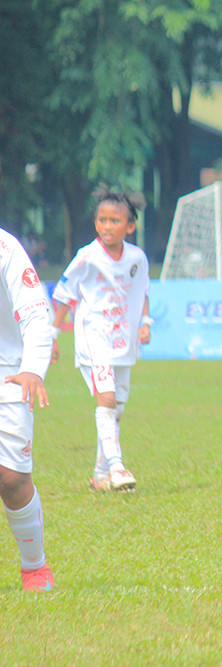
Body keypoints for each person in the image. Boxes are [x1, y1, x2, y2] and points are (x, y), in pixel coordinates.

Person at [51, 186, 151, 492]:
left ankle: (99, 474)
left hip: (123, 340)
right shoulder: (87, 257)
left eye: (114, 221)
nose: (107, 226)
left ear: (130, 226)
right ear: (96, 223)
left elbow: (142, 291)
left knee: (116, 408)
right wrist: (53, 335)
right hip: (94, 338)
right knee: (106, 399)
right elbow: (64, 295)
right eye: (102, 220)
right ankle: (118, 468)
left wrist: (145, 322)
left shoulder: (137, 258)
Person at [1, 196, 55, 591]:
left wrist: (33, 369)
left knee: (12, 479)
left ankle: (34, 565)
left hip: (9, 374)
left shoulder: (6, 249)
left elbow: (36, 313)